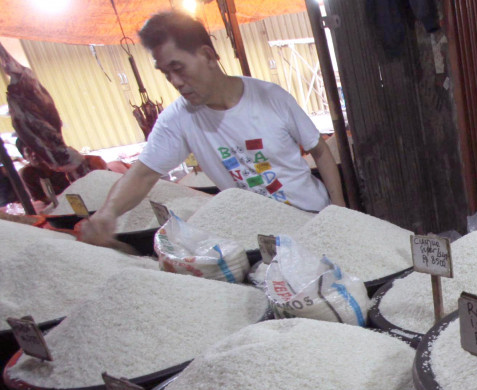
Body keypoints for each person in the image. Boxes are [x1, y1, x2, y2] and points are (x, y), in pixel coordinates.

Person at [80, 10, 345, 247]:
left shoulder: (271, 97)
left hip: (313, 217)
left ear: (208, 55)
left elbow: (319, 150)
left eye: (178, 68)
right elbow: (142, 175)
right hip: (259, 235)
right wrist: (107, 213)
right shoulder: (178, 118)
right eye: (166, 74)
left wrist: (339, 209)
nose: (175, 82)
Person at [17, 138, 107, 208]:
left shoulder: (64, 162)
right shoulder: (28, 173)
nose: (34, 154)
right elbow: (39, 200)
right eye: (28, 151)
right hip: (64, 206)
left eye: (36, 148)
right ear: (24, 157)